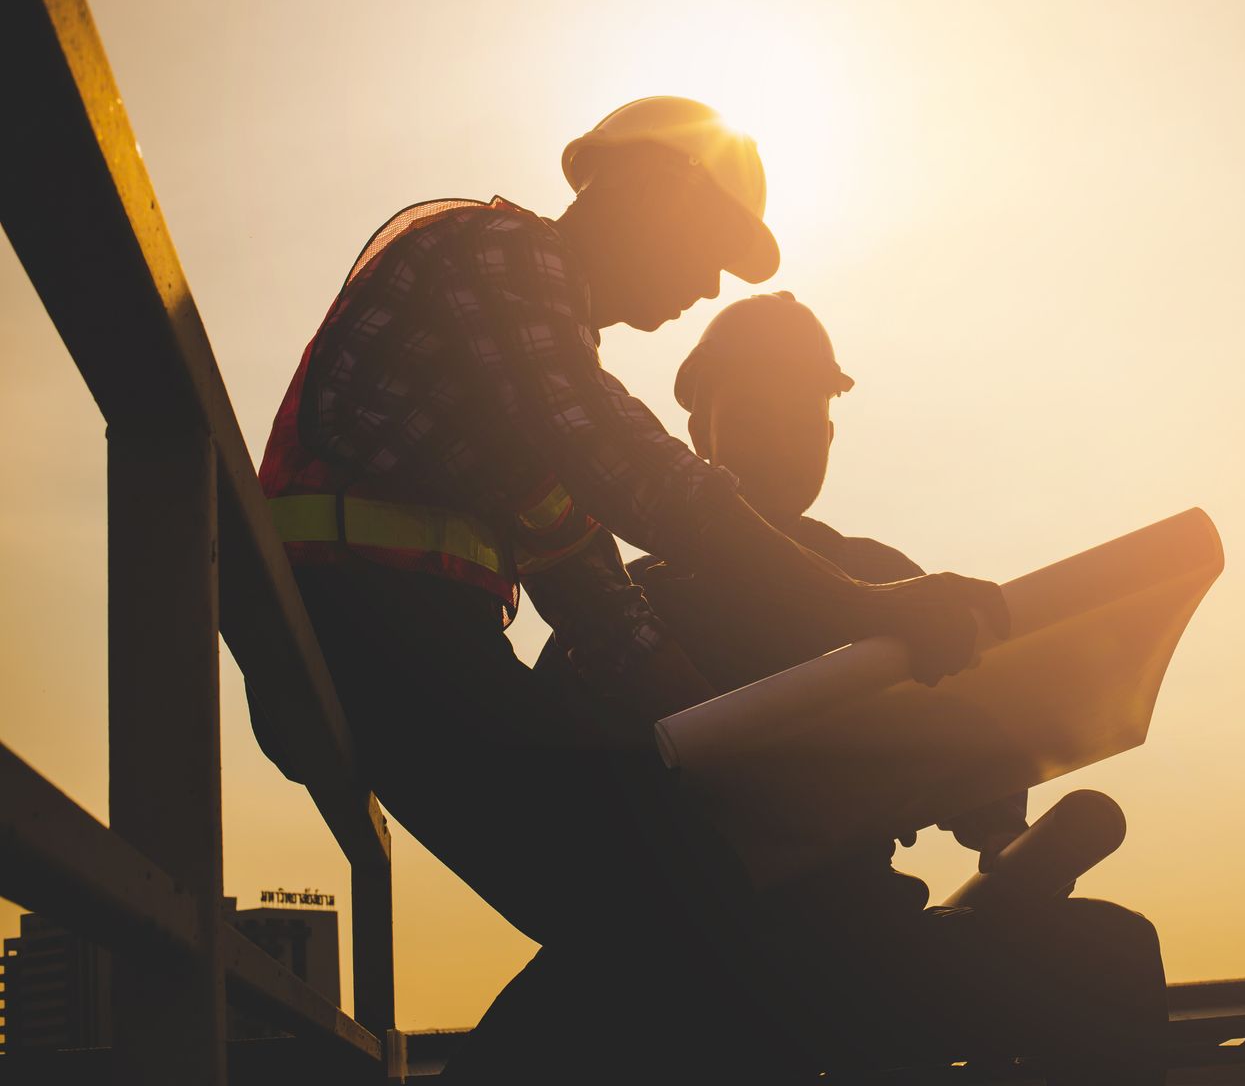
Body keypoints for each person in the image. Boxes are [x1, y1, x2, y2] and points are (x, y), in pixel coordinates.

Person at [254, 98, 1004, 1077]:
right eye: (712, 248)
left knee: (675, 896)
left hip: (412, 648)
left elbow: (601, 605)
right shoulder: (502, 261)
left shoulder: (515, 366)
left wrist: (741, 751)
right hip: (377, 636)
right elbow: (631, 465)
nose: (707, 285)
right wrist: (862, 609)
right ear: (654, 186)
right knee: (677, 904)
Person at [537, 292, 1170, 1084]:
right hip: (688, 965)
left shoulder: (887, 582)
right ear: (698, 431)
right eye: (756, 416)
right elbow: (558, 800)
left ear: (831, 438)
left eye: (805, 424)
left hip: (862, 950)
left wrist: (1009, 833)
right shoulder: (624, 610)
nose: (782, 445)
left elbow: (977, 763)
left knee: (1109, 953)